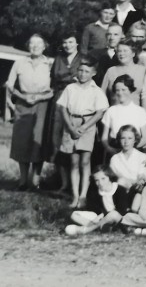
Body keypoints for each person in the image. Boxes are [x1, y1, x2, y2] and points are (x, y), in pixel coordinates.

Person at [57, 58, 109, 207]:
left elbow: (99, 113)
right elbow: (62, 108)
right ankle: (74, 195)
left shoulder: (96, 90)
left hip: (88, 124)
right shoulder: (70, 88)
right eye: (80, 70)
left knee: (85, 161)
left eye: (87, 71)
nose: (82, 74)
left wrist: (85, 127)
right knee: (73, 162)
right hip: (71, 124)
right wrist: (70, 127)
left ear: (93, 73)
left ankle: (83, 195)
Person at [6, 34, 54, 189]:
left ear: (44, 46)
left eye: (39, 44)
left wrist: (41, 97)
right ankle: (22, 180)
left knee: (38, 141)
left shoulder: (50, 63)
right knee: (22, 141)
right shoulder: (19, 62)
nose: (35, 47)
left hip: (43, 105)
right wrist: (23, 97)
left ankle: (36, 181)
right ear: (28, 46)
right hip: (23, 103)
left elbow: (54, 89)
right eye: (32, 44)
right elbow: (10, 85)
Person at [49, 33, 84, 190]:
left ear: (76, 43)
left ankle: (75, 182)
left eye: (71, 42)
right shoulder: (58, 59)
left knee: (74, 141)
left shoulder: (83, 58)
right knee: (58, 140)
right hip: (59, 100)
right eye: (65, 42)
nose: (67, 45)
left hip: (77, 101)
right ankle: (62, 182)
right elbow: (53, 80)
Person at [64, 166, 131, 236]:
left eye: (103, 179)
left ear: (109, 177)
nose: (100, 183)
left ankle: (86, 230)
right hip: (101, 218)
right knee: (74, 215)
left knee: (113, 214)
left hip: (117, 217)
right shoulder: (95, 192)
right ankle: (104, 227)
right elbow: (93, 210)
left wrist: (102, 215)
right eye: (97, 180)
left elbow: (122, 210)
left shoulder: (120, 190)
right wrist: (98, 217)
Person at [101, 75, 146, 155]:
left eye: (123, 89)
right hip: (115, 149)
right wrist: (109, 149)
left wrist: (131, 149)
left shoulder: (140, 111)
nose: (120, 93)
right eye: (117, 90)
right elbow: (104, 137)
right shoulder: (111, 111)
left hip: (134, 149)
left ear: (130, 90)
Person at [100, 39, 146, 104]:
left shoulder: (143, 70)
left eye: (125, 51)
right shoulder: (111, 71)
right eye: (119, 51)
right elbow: (101, 95)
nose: (122, 54)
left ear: (133, 53)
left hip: (135, 112)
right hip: (114, 112)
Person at [109, 125, 146, 191]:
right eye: (123, 138)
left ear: (135, 140)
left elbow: (142, 178)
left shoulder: (142, 156)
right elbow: (118, 179)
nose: (126, 142)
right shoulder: (114, 159)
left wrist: (137, 182)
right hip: (121, 191)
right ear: (119, 139)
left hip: (138, 190)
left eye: (130, 138)